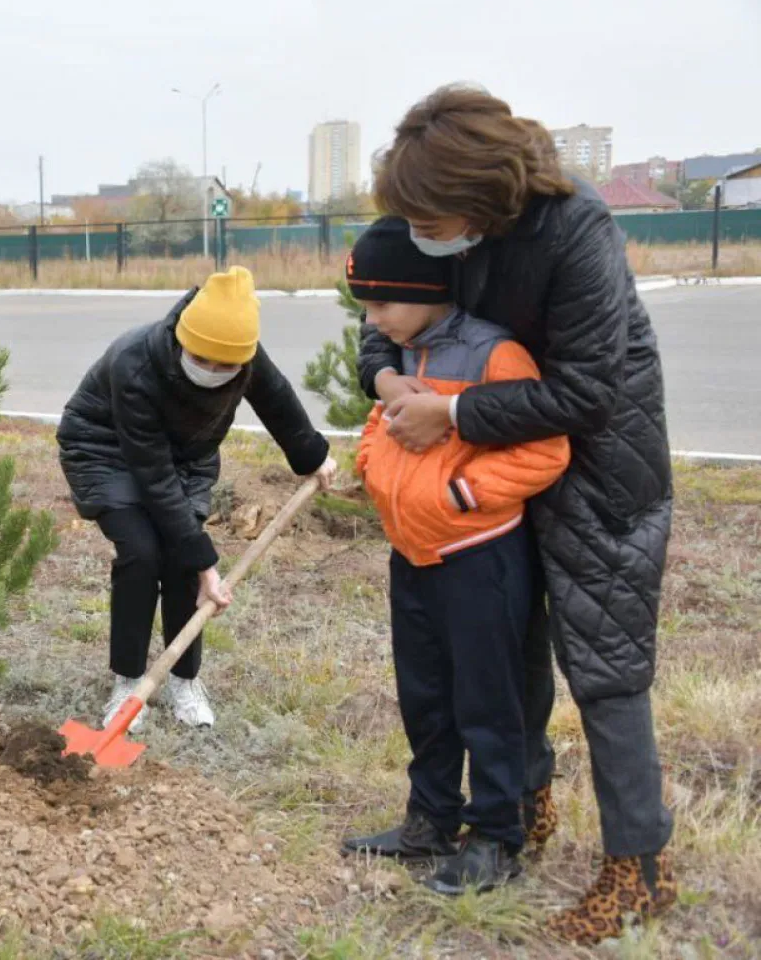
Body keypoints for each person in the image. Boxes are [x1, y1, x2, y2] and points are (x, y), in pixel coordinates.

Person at [359, 85, 677, 943]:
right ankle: (520, 813)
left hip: (599, 458)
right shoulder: (444, 224)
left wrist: (454, 416)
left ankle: (638, 868)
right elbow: (385, 314)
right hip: (485, 462)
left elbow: (588, 387)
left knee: (603, 657)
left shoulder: (577, 233)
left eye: (433, 218)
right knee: (510, 637)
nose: (425, 236)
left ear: (482, 196)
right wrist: (388, 379)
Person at [339, 218, 570, 894]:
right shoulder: (404, 352)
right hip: (411, 556)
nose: (373, 321)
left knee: (487, 702)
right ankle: (429, 821)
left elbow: (546, 448)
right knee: (426, 695)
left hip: (479, 559)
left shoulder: (493, 355)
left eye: (381, 304)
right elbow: (383, 425)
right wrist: (376, 473)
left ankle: (498, 836)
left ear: (425, 289)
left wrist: (461, 495)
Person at [58, 266, 337, 730]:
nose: (211, 370)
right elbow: (153, 476)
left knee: (180, 560)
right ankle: (128, 681)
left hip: (186, 458)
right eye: (201, 358)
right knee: (142, 553)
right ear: (181, 338)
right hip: (105, 450)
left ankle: (184, 680)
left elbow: (278, 402)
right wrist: (208, 563)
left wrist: (312, 455)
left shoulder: (244, 357)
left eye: (225, 366)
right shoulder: (135, 364)